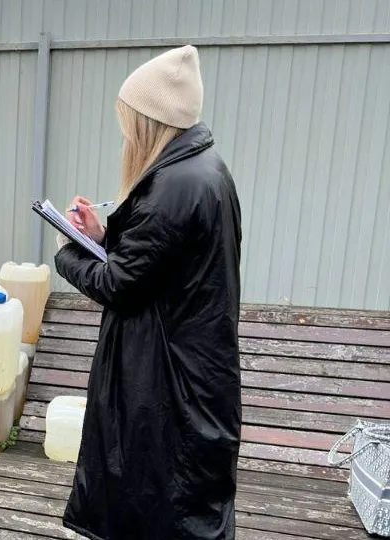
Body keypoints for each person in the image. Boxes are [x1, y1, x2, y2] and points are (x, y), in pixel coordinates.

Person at [54, 45, 243, 539]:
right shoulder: (203, 169)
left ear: (150, 122)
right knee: (173, 507)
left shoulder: (175, 186)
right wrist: (102, 237)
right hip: (189, 370)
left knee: (160, 505)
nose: (126, 134)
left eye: (130, 122)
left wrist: (67, 251)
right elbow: (158, 261)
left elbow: (119, 284)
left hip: (168, 379)